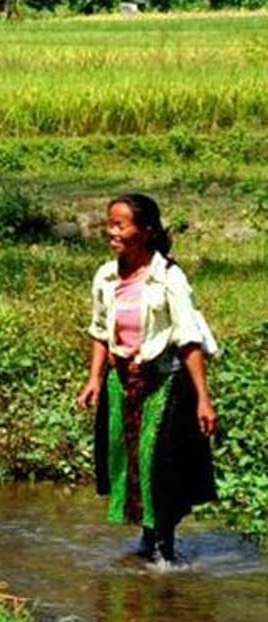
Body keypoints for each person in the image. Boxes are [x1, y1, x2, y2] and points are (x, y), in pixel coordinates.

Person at [77, 193, 218, 565]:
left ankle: (164, 551)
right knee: (130, 458)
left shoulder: (169, 278)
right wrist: (94, 378)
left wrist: (203, 398)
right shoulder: (106, 276)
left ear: (146, 232)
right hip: (121, 381)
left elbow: (189, 339)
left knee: (160, 463)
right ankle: (147, 535)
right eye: (110, 223)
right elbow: (99, 332)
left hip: (164, 382)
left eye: (120, 225)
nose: (112, 231)